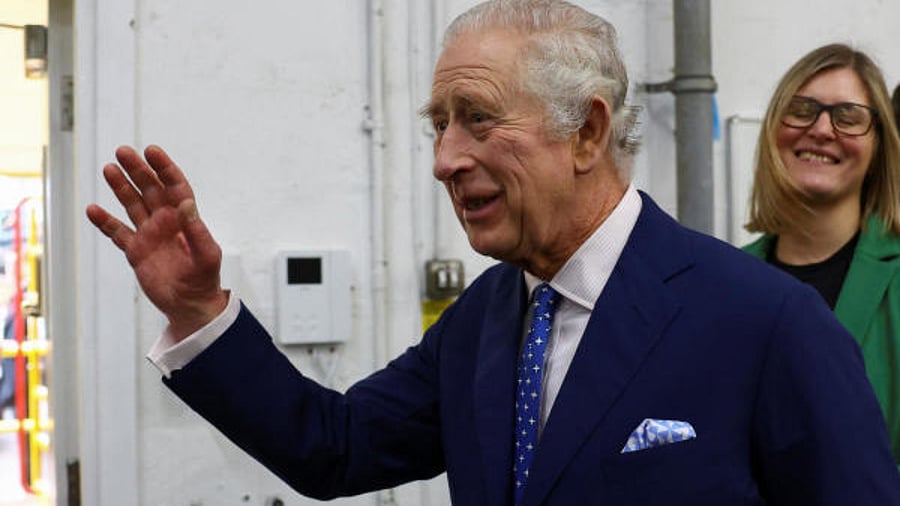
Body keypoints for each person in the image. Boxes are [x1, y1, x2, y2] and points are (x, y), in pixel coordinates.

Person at [86, 1, 900, 504]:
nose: (444, 158)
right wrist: (199, 312)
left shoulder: (765, 321)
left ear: (585, 131)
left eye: (477, 118)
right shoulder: (486, 319)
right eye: (437, 124)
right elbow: (330, 447)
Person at [743, 43, 900, 467]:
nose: (823, 129)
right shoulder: (725, 281)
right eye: (802, 109)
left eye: (849, 117)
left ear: (880, 147)